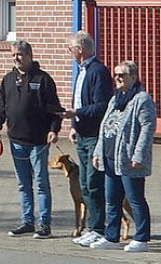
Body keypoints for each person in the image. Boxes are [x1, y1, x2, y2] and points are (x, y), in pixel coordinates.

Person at [0, 39, 65, 239]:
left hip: (38, 141)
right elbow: (0, 107)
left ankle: (44, 224)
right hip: (16, 141)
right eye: (13, 55)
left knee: (41, 183)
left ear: (29, 56)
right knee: (23, 184)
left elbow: (55, 109)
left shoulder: (43, 79)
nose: (16, 58)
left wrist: (54, 129)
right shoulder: (7, 80)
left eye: (20, 54)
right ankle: (27, 221)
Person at [86, 59, 156, 252]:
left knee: (135, 198)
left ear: (133, 77)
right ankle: (111, 236)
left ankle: (141, 238)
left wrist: (139, 155)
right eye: (115, 75)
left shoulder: (142, 99)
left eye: (121, 75)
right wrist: (98, 152)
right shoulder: (115, 99)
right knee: (112, 199)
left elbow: (147, 128)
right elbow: (105, 127)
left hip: (129, 160)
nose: (117, 78)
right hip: (110, 157)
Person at [67, 31, 114, 247]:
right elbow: (80, 99)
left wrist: (77, 113)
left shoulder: (98, 71)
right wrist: (74, 126)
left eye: (71, 48)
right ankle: (91, 227)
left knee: (94, 183)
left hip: (95, 135)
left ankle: (98, 228)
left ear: (81, 49)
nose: (70, 52)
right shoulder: (81, 71)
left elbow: (101, 106)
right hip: (82, 134)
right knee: (85, 183)